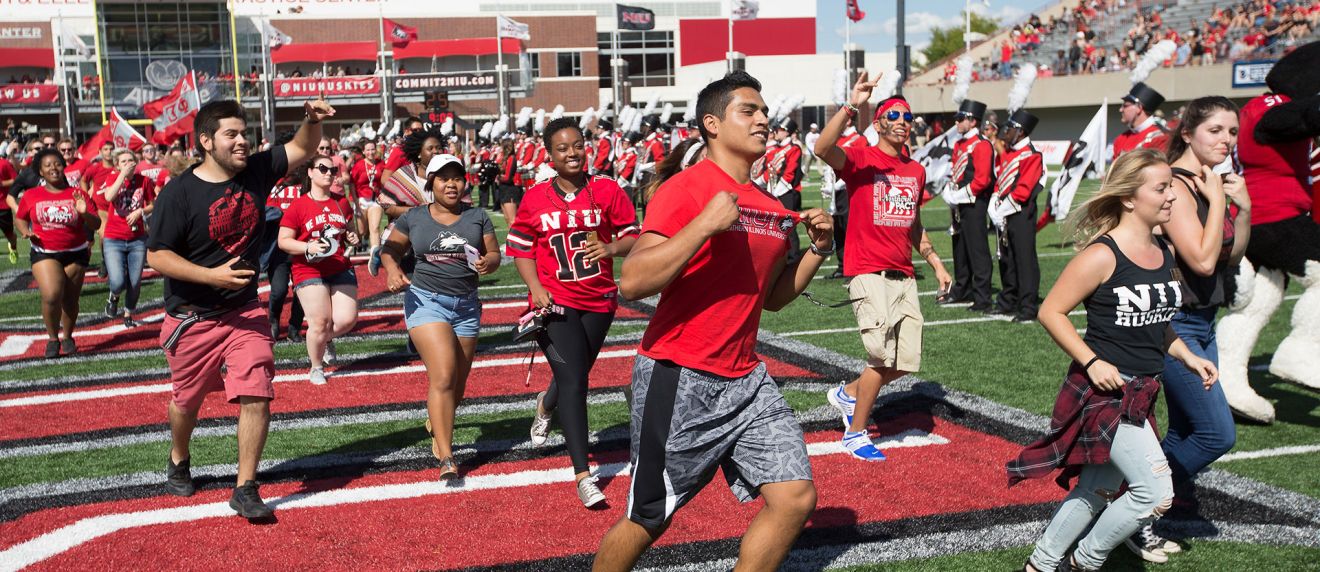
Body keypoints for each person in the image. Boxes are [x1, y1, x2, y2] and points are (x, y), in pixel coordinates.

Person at [593, 71, 833, 572]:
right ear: (712, 125)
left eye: (765, 111)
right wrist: (704, 224)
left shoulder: (769, 206)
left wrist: (816, 250)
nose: (764, 119)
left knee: (794, 498)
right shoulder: (688, 189)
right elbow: (634, 281)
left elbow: (772, 300)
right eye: (749, 111)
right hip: (678, 376)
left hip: (746, 379)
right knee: (649, 516)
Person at [1008, 148, 1218, 572]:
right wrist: (1090, 361)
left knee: (1098, 487)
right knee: (1156, 492)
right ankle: (1087, 560)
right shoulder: (1102, 255)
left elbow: (1157, 323)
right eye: (1161, 189)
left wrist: (1188, 356)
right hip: (1105, 390)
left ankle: (1042, 565)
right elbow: (1051, 311)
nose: (1171, 198)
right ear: (1128, 198)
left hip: (1142, 390)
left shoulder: (1164, 251)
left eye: (1171, 188)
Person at [146, 98, 331, 519]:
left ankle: (246, 486)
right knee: (187, 401)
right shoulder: (180, 193)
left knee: (257, 392)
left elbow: (302, 148)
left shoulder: (257, 170)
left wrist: (310, 120)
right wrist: (212, 276)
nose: (242, 141)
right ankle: (178, 456)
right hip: (192, 316)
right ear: (207, 141)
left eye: (244, 132)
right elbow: (157, 256)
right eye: (231, 134)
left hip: (244, 311)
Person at [1116, 96, 1251, 563]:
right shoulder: (1174, 183)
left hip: (1202, 319)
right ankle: (1134, 507)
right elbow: (1202, 258)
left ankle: (1150, 507)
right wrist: (1217, 202)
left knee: (1186, 428)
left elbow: (1231, 255)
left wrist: (1244, 208)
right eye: (1215, 130)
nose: (1226, 140)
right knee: (1217, 434)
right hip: (1173, 325)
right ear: (1189, 132)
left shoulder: (1211, 181)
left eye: (1232, 132)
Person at [815, 74, 952, 462]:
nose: (903, 121)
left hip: (904, 275)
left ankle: (846, 394)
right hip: (867, 270)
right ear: (877, 122)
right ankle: (855, 432)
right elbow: (823, 148)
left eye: (908, 116)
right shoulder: (860, 158)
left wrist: (937, 264)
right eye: (894, 114)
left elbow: (914, 223)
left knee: (906, 363)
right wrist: (852, 104)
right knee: (881, 356)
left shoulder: (915, 170)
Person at [509, 117, 638, 507]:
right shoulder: (535, 196)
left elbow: (634, 234)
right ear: (549, 155)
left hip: (598, 300)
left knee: (575, 373)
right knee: (576, 382)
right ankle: (583, 474)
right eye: (562, 148)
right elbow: (520, 247)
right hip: (555, 303)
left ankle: (547, 404)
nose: (572, 153)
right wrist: (536, 288)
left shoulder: (606, 189)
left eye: (577, 145)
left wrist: (612, 249)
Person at [1214, 43, 1320, 423]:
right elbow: (1286, 119)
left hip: (1254, 216)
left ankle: (1226, 377)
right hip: (1274, 215)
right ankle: (1303, 347)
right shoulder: (1270, 105)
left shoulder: (1262, 104)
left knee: (1259, 298)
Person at [381, 153, 499, 480]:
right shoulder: (414, 217)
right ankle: (447, 455)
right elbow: (389, 250)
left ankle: (437, 419)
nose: (451, 184)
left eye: (457, 178)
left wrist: (489, 262)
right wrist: (391, 270)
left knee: (457, 386)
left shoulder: (477, 216)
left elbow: (494, 253)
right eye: (443, 178)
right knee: (444, 376)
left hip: (467, 305)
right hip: (426, 302)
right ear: (430, 183)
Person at [278, 155, 362, 385]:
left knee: (347, 320)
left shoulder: (341, 202)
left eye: (332, 169)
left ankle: (324, 339)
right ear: (310, 173)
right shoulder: (299, 204)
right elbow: (283, 240)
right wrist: (308, 246)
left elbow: (349, 230)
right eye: (322, 168)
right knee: (320, 321)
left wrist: (352, 237)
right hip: (308, 268)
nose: (329, 173)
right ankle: (316, 367)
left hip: (338, 265)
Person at [15, 148, 100, 358]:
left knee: (70, 300)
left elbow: (96, 223)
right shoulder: (31, 195)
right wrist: (26, 232)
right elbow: (20, 217)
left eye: (57, 164)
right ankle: (53, 338)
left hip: (76, 252)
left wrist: (84, 213)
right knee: (52, 294)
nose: (54, 168)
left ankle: (68, 336)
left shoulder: (77, 193)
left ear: (64, 167)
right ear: (40, 172)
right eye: (47, 166)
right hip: (45, 252)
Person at [940, 99, 996, 312]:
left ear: (973, 121)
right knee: (960, 248)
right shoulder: (960, 144)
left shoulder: (982, 144)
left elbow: (983, 180)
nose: (957, 122)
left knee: (977, 250)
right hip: (959, 203)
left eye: (960, 118)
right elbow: (955, 171)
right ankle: (962, 289)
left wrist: (959, 195)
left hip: (974, 204)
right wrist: (949, 190)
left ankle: (982, 297)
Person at [990, 109, 1046, 323]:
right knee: (1007, 259)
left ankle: (1028, 306)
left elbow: (1023, 191)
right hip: (1004, 212)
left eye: (1011, 128)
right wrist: (994, 203)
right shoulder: (1011, 152)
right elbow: (1001, 181)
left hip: (1020, 214)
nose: (1006, 131)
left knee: (1024, 261)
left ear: (1020, 131)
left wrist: (1000, 209)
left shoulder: (1032, 155)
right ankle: (1008, 300)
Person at [370, 127, 443, 276]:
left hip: (436, 237)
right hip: (406, 240)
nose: (436, 151)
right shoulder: (405, 175)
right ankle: (380, 253)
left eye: (439, 148)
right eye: (430, 148)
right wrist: (416, 211)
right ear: (418, 153)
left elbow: (464, 204)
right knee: (414, 282)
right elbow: (387, 206)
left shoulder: (448, 173)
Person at [100, 148, 156, 328]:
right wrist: (121, 175)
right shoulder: (112, 177)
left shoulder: (144, 181)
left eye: (130, 161)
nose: (127, 164)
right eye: (123, 162)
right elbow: (109, 196)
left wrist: (141, 211)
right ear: (117, 165)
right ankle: (113, 296)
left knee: (135, 281)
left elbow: (154, 203)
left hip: (137, 238)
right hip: (114, 238)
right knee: (117, 281)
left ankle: (128, 313)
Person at [1113, 82, 1169, 161]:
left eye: (1125, 106)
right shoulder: (1120, 139)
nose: (1121, 109)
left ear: (1139, 108)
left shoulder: (1160, 138)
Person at [349, 140, 385, 253]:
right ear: (364, 152)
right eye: (368, 150)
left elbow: (385, 181)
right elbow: (351, 184)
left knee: (374, 228)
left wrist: (379, 190)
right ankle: (362, 242)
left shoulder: (381, 163)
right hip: (361, 200)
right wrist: (356, 202)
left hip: (375, 200)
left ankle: (375, 253)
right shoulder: (358, 165)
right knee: (362, 230)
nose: (371, 152)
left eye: (373, 149)